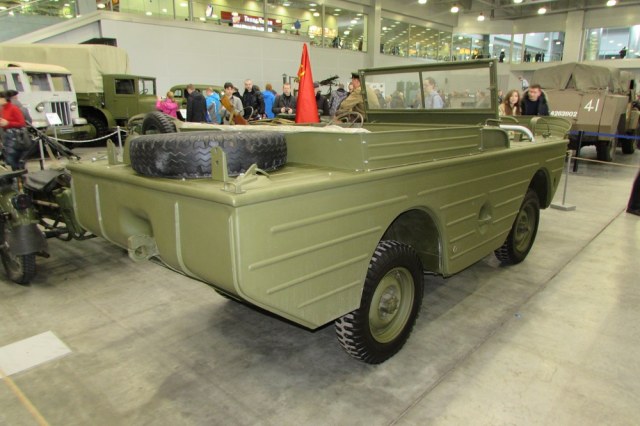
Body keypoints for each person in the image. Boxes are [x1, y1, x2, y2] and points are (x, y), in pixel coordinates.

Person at [0, 90, 30, 170]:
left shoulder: (14, 108)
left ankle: (19, 173)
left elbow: (22, 123)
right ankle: (17, 173)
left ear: (4, 99)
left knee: (13, 158)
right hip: (7, 136)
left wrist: (8, 123)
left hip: (15, 137)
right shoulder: (3, 109)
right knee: (10, 159)